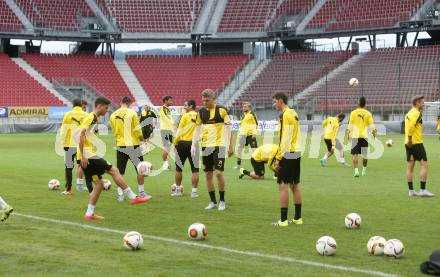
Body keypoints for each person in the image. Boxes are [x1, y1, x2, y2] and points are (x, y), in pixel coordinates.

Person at [79, 97, 149, 220]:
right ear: (99, 106)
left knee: (99, 184)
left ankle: (89, 213)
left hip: (88, 155)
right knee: (113, 170)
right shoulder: (92, 117)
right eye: (106, 108)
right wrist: (83, 156)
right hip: (88, 156)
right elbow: (79, 134)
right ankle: (133, 197)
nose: (107, 111)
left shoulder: (94, 118)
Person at [191, 89, 233, 211]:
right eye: (203, 100)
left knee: (218, 173)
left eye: (207, 100)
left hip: (219, 145)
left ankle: (222, 201)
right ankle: (213, 201)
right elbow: (197, 128)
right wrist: (193, 144)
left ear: (213, 99)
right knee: (208, 174)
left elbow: (229, 128)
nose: (204, 102)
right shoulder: (201, 112)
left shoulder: (222, 110)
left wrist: (230, 145)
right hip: (206, 146)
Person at [109, 96, 151, 203]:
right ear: (130, 103)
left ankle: (120, 194)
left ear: (121, 102)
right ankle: (141, 192)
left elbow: (114, 131)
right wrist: (143, 140)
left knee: (119, 172)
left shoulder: (113, 114)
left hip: (121, 145)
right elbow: (137, 130)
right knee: (141, 168)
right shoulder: (132, 113)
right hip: (133, 145)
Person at [271, 92, 303, 227]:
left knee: (283, 185)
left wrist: (278, 158)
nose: (274, 104)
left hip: (288, 152)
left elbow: (285, 138)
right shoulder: (293, 112)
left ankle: (283, 221)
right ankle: (297, 218)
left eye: (274, 101)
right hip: (297, 151)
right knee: (294, 185)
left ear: (280, 101)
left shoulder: (285, 115)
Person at [405, 96, 435, 197]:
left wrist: (408, 141)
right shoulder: (416, 113)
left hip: (408, 144)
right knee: (424, 165)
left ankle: (411, 191)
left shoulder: (409, 113)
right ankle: (423, 190)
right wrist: (410, 139)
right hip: (416, 143)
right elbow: (411, 127)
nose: (423, 104)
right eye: (422, 102)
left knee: (410, 167)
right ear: (417, 103)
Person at [59, 98, 89, 195]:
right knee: (84, 165)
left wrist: (62, 142)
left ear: (72, 104)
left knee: (68, 167)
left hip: (70, 144)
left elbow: (63, 130)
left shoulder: (68, 115)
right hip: (82, 144)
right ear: (81, 105)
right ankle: (90, 188)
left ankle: (68, 190)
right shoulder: (86, 115)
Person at [173, 100, 199, 198]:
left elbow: (179, 130)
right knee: (195, 170)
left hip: (182, 143)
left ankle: (178, 191)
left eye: (185, 105)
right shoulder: (199, 116)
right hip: (194, 144)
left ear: (191, 106)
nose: (184, 107)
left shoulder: (185, 116)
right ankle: (194, 192)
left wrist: (175, 143)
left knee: (179, 169)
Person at [346, 97, 376, 177]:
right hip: (364, 136)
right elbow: (372, 126)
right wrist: (374, 135)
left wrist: (348, 135)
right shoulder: (368, 113)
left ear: (358, 103)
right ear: (365, 104)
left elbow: (350, 125)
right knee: (365, 155)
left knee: (354, 154)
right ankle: (364, 170)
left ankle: (356, 171)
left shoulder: (353, 113)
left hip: (354, 136)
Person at [235, 102, 258, 169]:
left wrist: (254, 134)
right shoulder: (243, 115)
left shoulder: (252, 114)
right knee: (239, 150)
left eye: (245, 106)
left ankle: (257, 165)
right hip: (243, 136)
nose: (244, 108)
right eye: (243, 106)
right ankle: (238, 165)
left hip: (250, 135)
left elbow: (256, 124)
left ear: (249, 107)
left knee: (255, 151)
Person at [160, 96, 174, 170]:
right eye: (170, 100)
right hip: (165, 130)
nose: (171, 102)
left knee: (168, 148)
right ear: (165, 101)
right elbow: (165, 117)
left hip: (169, 130)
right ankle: (165, 164)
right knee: (166, 147)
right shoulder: (163, 108)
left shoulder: (167, 109)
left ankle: (167, 164)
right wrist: (173, 123)